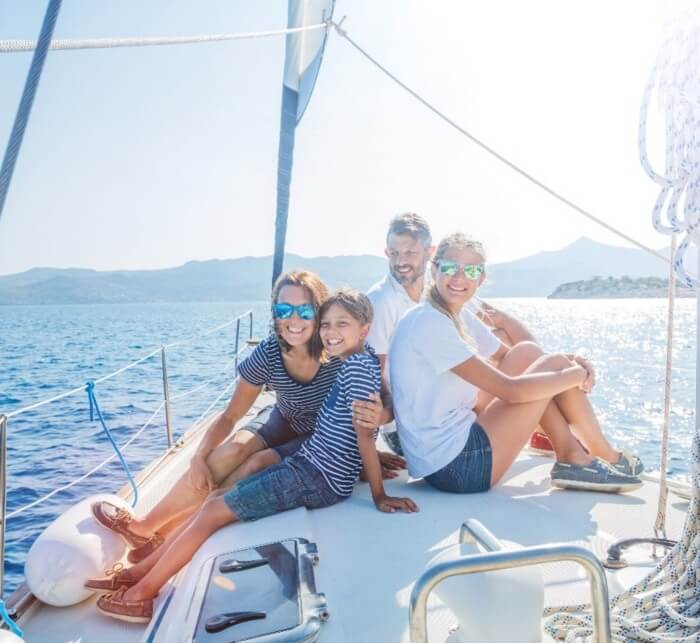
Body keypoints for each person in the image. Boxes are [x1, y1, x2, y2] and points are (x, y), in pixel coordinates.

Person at [90, 288, 418, 623]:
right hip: (308, 463)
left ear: (363, 330)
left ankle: (141, 596)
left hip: (318, 478)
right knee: (216, 499)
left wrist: (379, 495)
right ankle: (140, 571)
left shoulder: (357, 368)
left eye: (342, 324)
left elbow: (365, 436)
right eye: (327, 324)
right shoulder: (359, 359)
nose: (331, 333)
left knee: (214, 511)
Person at [389, 232, 643, 494]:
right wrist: (577, 374)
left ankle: (582, 454)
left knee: (528, 353)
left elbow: (518, 358)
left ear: (481, 278)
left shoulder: (455, 313)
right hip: (457, 468)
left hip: (447, 451)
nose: (459, 278)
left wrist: (569, 362)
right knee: (551, 367)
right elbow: (511, 390)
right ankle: (589, 455)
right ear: (434, 269)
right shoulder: (429, 322)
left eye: (471, 270)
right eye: (451, 267)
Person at [364, 213, 535, 455]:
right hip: (407, 428)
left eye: (410, 253)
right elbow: (370, 374)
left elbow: (502, 320)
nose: (401, 261)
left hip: (438, 401)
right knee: (517, 365)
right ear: (386, 252)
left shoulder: (444, 286)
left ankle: (543, 426)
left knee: (502, 338)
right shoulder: (381, 301)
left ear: (429, 252)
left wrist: (545, 361)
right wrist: (369, 449)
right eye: (394, 253)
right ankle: (550, 427)